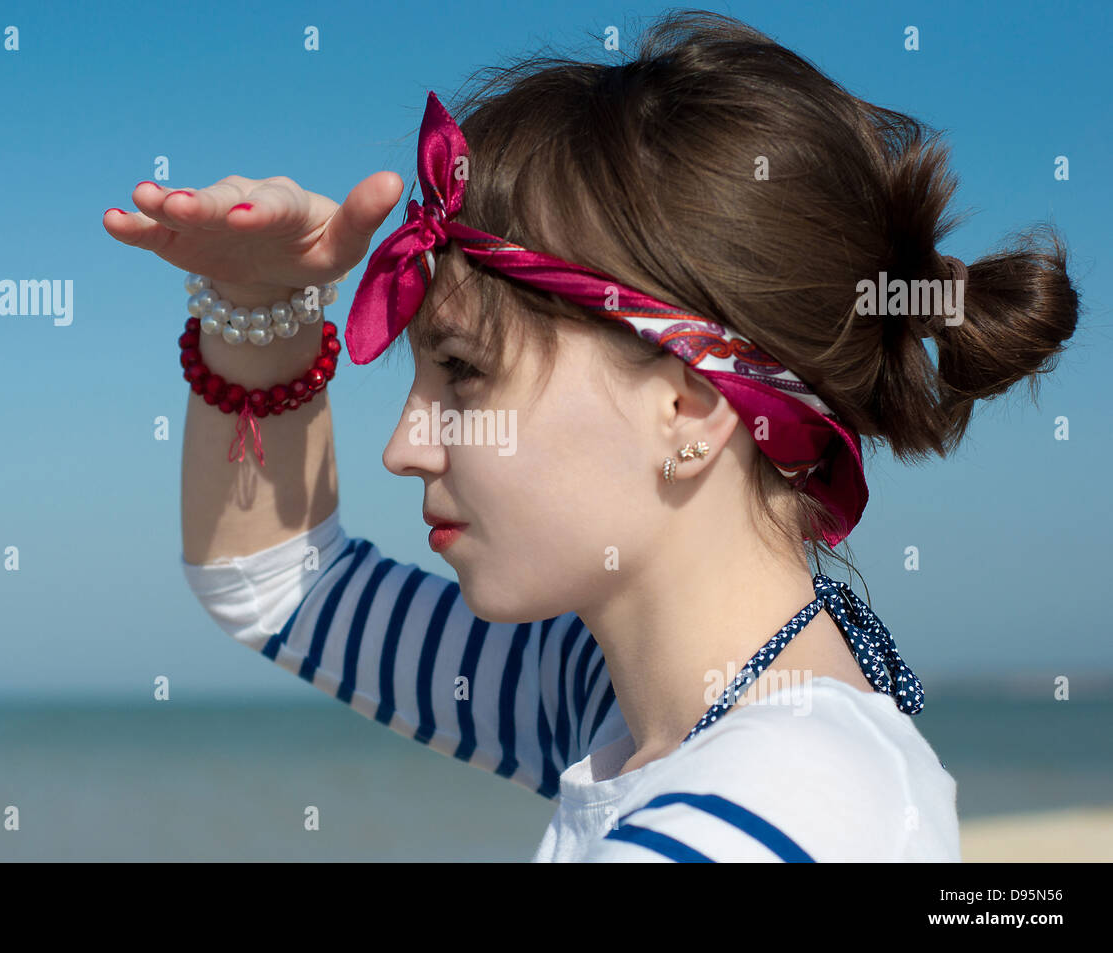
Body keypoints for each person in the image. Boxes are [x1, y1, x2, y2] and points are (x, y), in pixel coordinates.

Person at [103, 10, 1080, 861]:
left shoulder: (761, 816)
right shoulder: (617, 698)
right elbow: (271, 577)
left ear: (688, 406)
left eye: (464, 371)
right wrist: (259, 306)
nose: (404, 447)